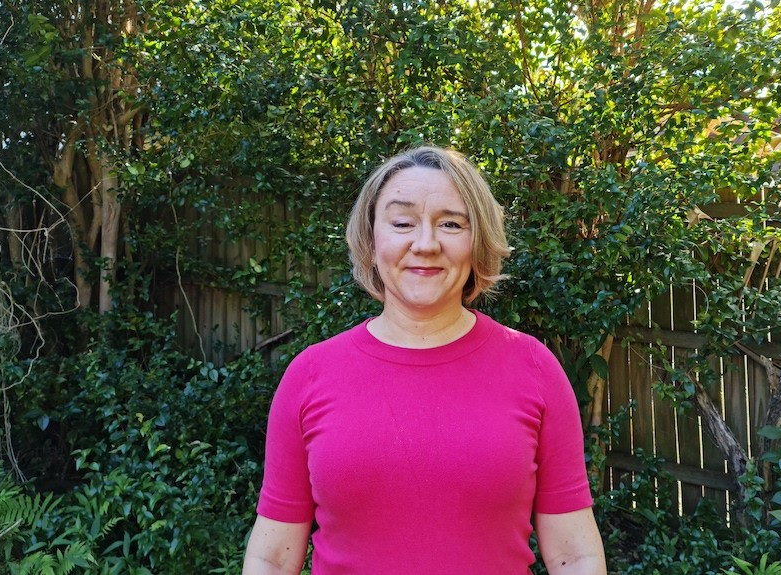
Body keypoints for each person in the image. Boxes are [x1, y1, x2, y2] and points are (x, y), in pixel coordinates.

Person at [242, 146, 607, 575]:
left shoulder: (534, 368)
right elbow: (272, 558)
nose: (426, 244)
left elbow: (574, 556)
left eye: (451, 224)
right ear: (372, 237)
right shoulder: (310, 375)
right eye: (402, 223)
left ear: (477, 241)